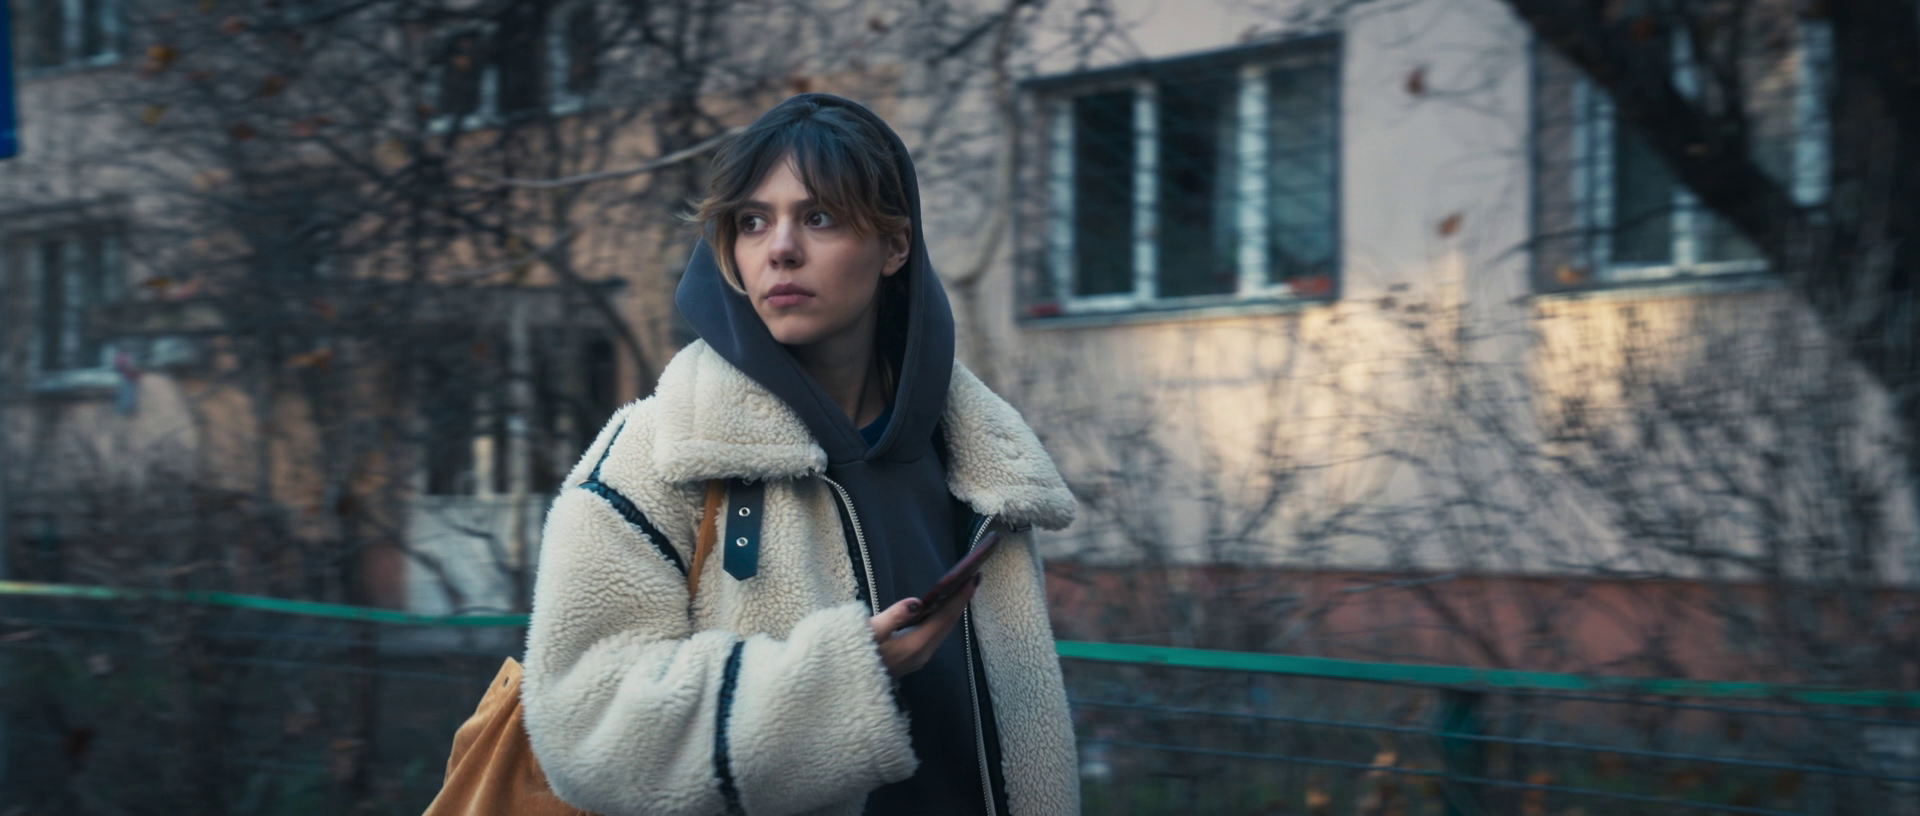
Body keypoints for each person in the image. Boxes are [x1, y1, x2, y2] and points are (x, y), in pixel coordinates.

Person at [520, 93, 1080, 816]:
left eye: (818, 217)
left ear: (895, 246)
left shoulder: (979, 464)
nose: (779, 247)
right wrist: (840, 682)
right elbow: (581, 722)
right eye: (753, 222)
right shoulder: (659, 452)